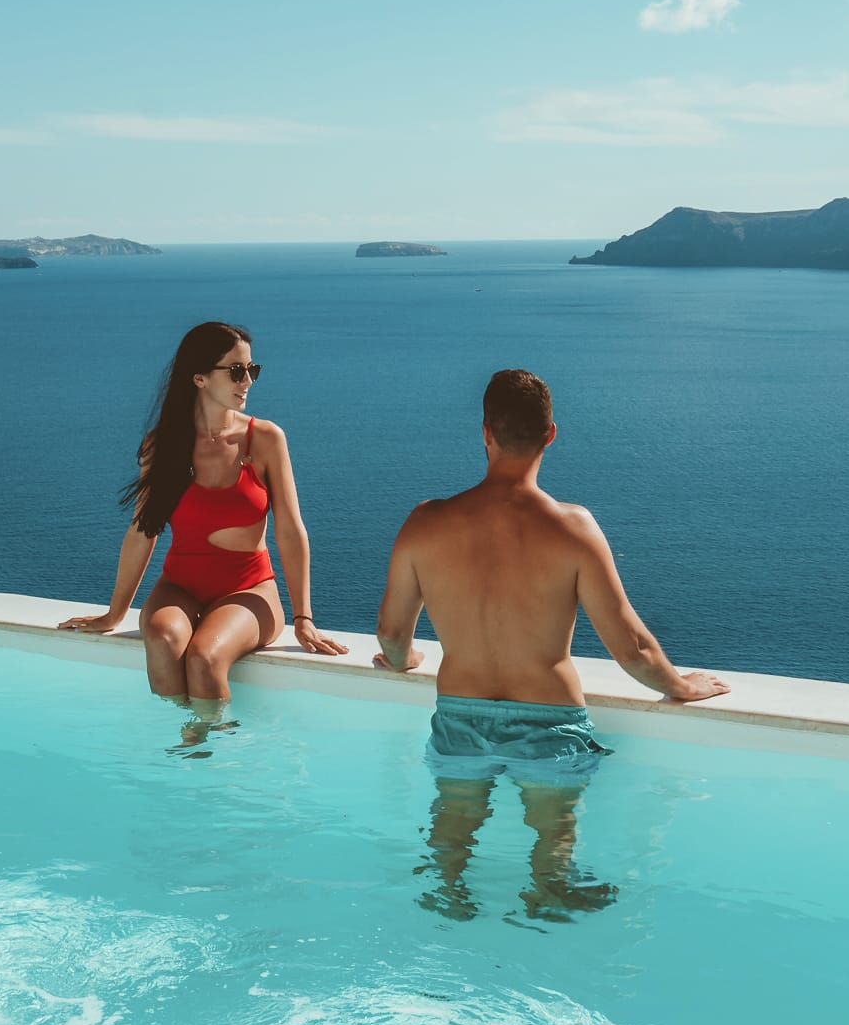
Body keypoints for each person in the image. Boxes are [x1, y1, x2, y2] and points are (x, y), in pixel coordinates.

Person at [373, 366, 728, 918]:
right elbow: (630, 647)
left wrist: (405, 661)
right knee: (553, 834)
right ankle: (546, 892)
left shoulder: (426, 522)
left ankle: (449, 895)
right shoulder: (573, 528)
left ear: (485, 433)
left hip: (460, 715)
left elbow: (393, 636)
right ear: (551, 434)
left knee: (453, 825)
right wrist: (682, 685)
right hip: (547, 718)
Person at [61, 318, 346, 729]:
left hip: (250, 591)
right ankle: (190, 746)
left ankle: (213, 759)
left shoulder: (264, 439)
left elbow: (289, 530)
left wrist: (304, 618)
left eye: (252, 369)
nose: (247, 380)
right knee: (161, 639)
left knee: (205, 657)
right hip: (179, 587)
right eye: (235, 370)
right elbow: (144, 530)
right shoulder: (162, 445)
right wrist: (114, 613)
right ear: (198, 378)